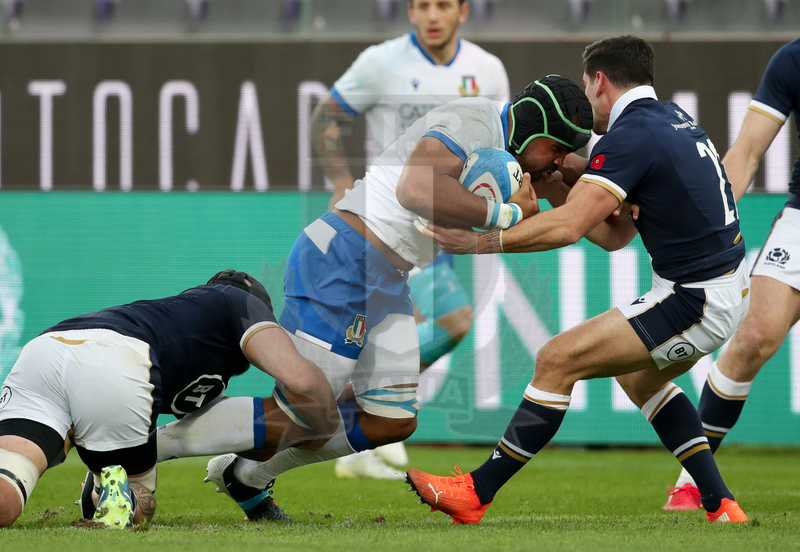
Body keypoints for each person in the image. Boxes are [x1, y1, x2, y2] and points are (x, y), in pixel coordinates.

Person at [200, 75, 593, 520]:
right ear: (531, 127)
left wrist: (618, 179)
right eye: (556, 148)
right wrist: (507, 213)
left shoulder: (519, 153)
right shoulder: (474, 120)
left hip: (389, 275)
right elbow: (415, 189)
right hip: (346, 254)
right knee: (305, 410)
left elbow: (589, 216)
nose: (558, 161)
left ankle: (246, 475)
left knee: (392, 420)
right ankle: (150, 450)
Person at [407, 35, 750, 525]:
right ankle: (721, 503)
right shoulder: (673, 119)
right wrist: (561, 183)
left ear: (600, 80)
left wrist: (480, 242)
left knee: (556, 359)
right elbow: (613, 236)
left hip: (695, 298)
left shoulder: (629, 136)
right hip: (723, 287)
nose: (586, 107)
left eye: (587, 89)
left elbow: (570, 228)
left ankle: (476, 493)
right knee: (638, 378)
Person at [311, 0, 510, 479]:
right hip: (389, 222)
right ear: (410, 11)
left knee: (399, 335)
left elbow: (502, 144)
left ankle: (355, 442)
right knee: (451, 321)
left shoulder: (487, 70)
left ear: (463, 11)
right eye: (423, 5)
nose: (432, 16)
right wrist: (340, 181)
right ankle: (342, 408)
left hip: (441, 226)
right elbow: (325, 118)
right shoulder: (381, 62)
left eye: (443, 5)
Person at [0, 270, 338, 528]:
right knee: (140, 503)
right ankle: (114, 490)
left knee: (9, 485)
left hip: (46, 349)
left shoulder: (182, 326)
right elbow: (302, 381)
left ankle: (101, 481)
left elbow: (210, 423)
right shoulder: (237, 301)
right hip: (117, 358)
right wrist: (324, 425)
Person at [662, 37, 800, 510]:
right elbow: (747, 151)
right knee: (753, 336)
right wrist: (707, 212)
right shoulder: (792, 59)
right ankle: (691, 481)